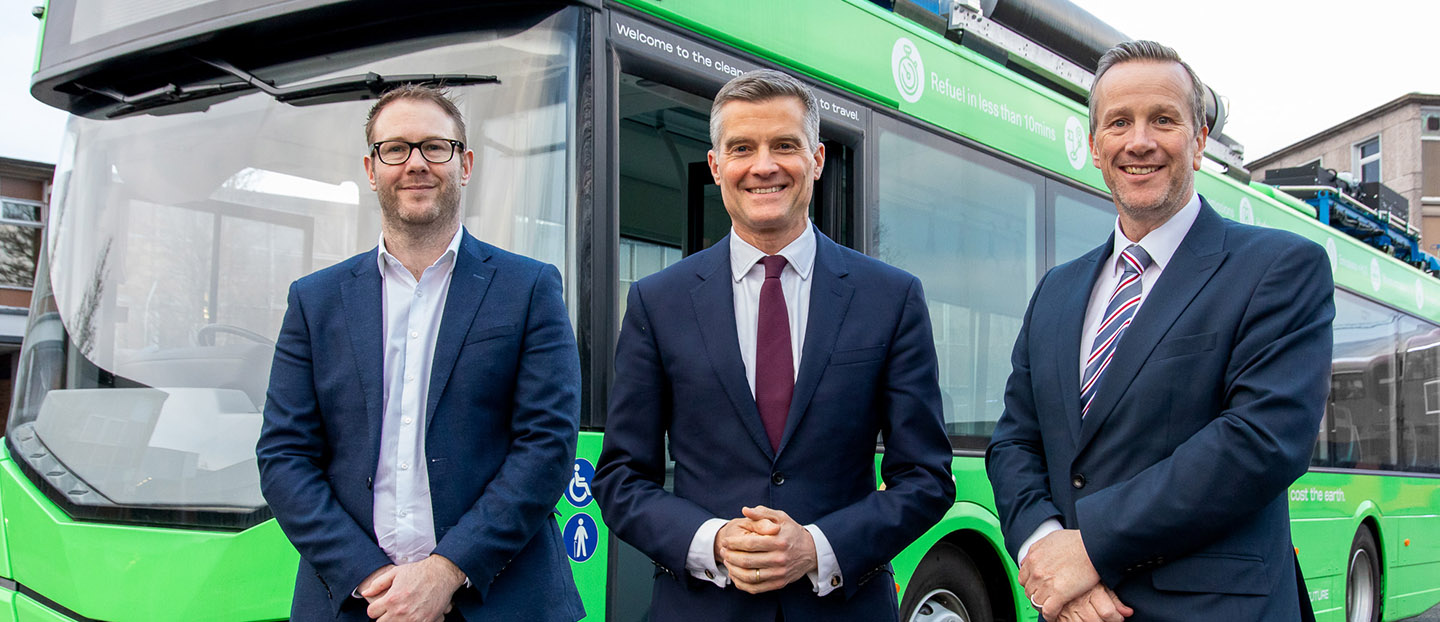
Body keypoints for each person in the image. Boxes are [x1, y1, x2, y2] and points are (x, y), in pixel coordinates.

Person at [987, 41, 1333, 622]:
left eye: (1164, 120)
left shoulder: (1281, 268)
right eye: (1119, 122)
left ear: (1198, 142)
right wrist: (1043, 548)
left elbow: (1259, 440)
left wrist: (1091, 546)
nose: (1139, 141)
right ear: (1095, 148)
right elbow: (1015, 442)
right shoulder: (1055, 291)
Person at [592, 69, 955, 622]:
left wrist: (818, 547)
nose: (764, 166)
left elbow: (927, 478)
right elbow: (620, 478)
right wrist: (710, 542)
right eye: (742, 148)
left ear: (817, 159)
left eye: (784, 145)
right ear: (716, 167)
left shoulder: (892, 297)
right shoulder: (655, 303)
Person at [256, 84, 584, 622]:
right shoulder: (314, 301)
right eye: (396, 149)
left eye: (436, 147)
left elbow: (546, 447)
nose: (416, 164)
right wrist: (368, 575)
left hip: (500, 598)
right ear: (371, 167)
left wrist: (446, 570)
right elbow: (283, 456)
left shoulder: (528, 289)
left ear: (465, 163)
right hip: (354, 603)